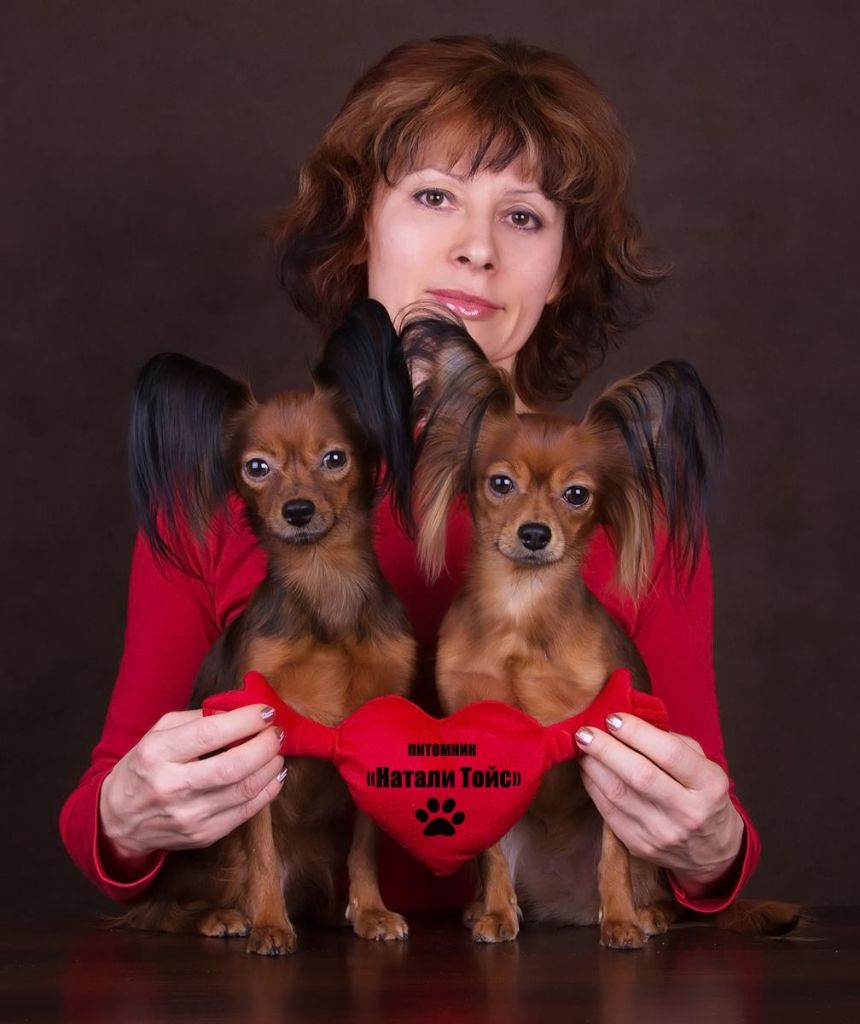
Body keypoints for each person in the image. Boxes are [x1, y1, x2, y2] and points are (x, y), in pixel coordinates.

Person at [60, 35, 756, 917]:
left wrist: (711, 844)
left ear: (564, 266)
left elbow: (709, 840)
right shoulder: (233, 492)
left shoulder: (631, 509)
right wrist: (129, 814)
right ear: (362, 226)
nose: (477, 249)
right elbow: (104, 826)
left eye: (524, 217)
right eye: (434, 197)